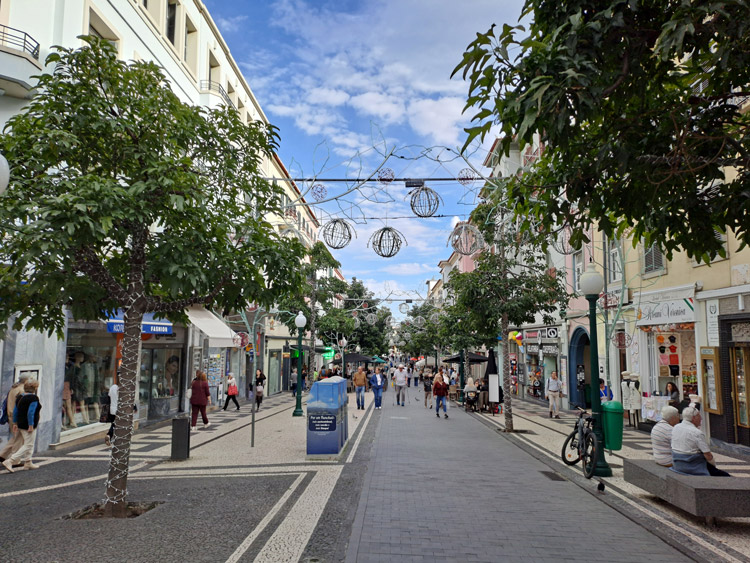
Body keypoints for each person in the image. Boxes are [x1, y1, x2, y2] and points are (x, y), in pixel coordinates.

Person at [671, 406, 730, 476]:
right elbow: (708, 455)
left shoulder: (676, 427)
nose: (701, 418)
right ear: (694, 418)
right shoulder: (696, 432)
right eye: (699, 416)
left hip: (678, 464)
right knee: (725, 476)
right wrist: (713, 465)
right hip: (693, 466)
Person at [2, 379, 42, 472]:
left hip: (20, 423)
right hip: (28, 425)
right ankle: (10, 461)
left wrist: (15, 423)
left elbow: (16, 411)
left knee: (28, 444)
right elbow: (30, 413)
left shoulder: (20, 396)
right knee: (28, 444)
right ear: (35, 388)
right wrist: (31, 425)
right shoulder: (33, 398)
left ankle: (28, 462)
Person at [0, 374, 30, 465]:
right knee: (18, 439)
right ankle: (15, 460)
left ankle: (3, 455)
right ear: (26, 381)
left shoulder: (13, 388)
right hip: (17, 417)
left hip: (11, 416)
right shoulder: (21, 390)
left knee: (16, 437)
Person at [104, 380, 119, 447]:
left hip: (112, 409)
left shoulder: (113, 387)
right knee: (115, 424)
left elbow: (109, 397)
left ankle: (110, 436)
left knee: (114, 423)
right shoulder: (122, 389)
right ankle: (109, 435)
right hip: (119, 410)